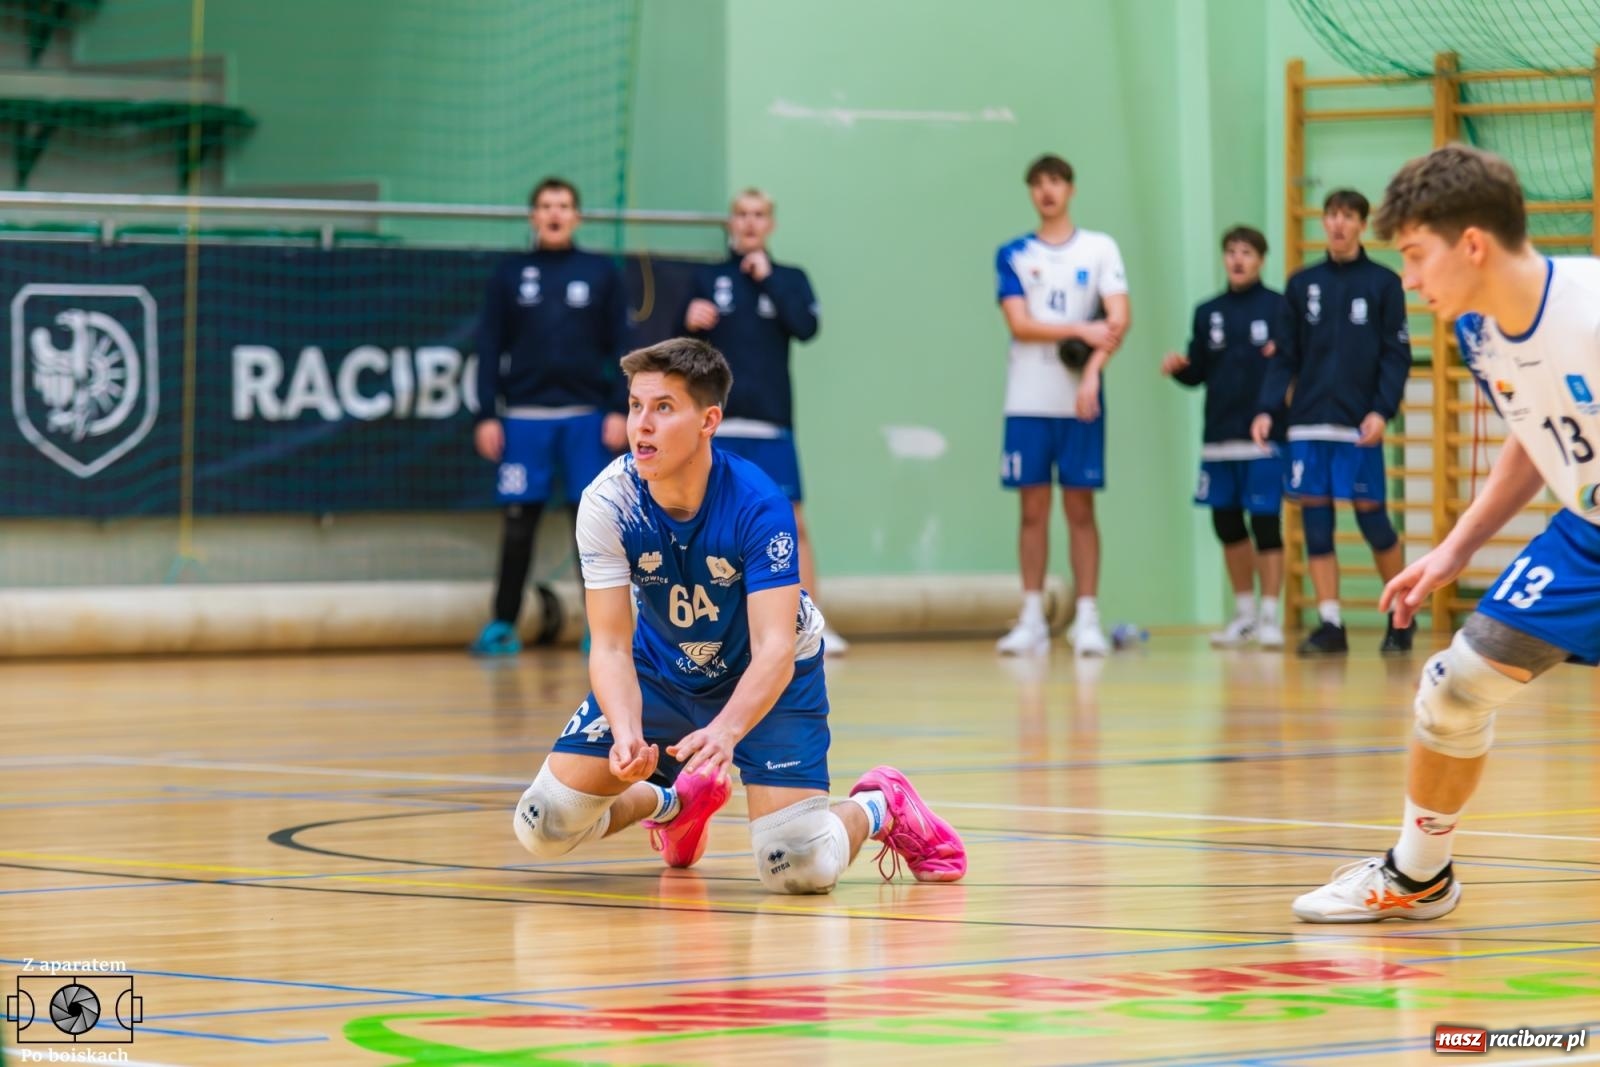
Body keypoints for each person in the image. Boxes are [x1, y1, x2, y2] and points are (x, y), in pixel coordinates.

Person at [510, 337, 966, 892]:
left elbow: (774, 647)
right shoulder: (609, 502)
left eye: (663, 408)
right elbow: (608, 645)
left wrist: (725, 732)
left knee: (795, 866)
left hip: (769, 677)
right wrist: (628, 735)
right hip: (660, 671)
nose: (641, 425)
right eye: (634, 406)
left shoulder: (758, 504)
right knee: (542, 825)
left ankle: (881, 806)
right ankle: (673, 804)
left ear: (709, 421)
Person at [1293, 143, 1596, 921]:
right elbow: (1535, 437)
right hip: (1585, 539)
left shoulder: (1591, 313)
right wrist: (1455, 549)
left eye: (1418, 255)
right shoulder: (1481, 333)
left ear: (1472, 245)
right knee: (1453, 691)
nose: (1410, 279)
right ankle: (1418, 876)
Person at [682, 188, 848, 655]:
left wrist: (770, 279)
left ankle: (810, 626)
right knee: (706, 526)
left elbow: (806, 327)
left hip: (772, 425)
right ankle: (706, 629)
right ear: (730, 223)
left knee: (792, 523)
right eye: (741, 215)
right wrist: (686, 318)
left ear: (770, 224)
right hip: (718, 427)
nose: (750, 223)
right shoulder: (706, 277)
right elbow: (681, 351)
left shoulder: (790, 278)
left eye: (759, 216)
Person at [470, 177, 631, 656]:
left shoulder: (601, 273)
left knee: (592, 523)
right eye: (545, 205)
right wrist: (486, 414)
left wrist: (620, 409)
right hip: (523, 419)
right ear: (533, 216)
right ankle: (502, 623)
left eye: (563, 205)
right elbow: (488, 347)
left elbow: (622, 346)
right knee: (519, 522)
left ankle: (599, 630)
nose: (555, 213)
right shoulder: (509, 274)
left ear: (577, 216)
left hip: (587, 420)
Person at [1251, 189, 1414, 656]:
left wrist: (1381, 410)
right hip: (1307, 426)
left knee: (1374, 523)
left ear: (1362, 224)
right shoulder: (1302, 285)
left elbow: (1395, 355)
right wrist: (1267, 409)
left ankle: (1401, 615)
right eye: (1332, 216)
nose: (1338, 224)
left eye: (1348, 216)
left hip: (1357, 426)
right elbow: (1285, 357)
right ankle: (1330, 623)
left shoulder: (1383, 284)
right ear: (1323, 223)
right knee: (1316, 526)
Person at [993, 154, 1131, 657]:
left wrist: (1093, 372)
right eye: (1038, 184)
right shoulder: (1013, 252)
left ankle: (1088, 619)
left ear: (1070, 189)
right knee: (1032, 509)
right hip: (1027, 400)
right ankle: (1031, 616)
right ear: (1031, 193)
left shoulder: (1099, 249)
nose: (1047, 191)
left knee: (1080, 506)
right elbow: (1020, 324)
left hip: (1080, 403)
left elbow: (1118, 318)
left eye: (1055, 182)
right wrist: (1079, 329)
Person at [1162, 225, 1289, 649]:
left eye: (1247, 252)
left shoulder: (1277, 308)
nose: (1238, 259)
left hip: (1263, 438)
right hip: (1219, 435)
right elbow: (1199, 371)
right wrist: (1180, 368)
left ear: (1261, 259)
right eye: (1231, 251)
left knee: (1266, 523)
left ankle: (1271, 615)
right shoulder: (1207, 311)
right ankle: (1244, 615)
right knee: (1227, 524)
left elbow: (1292, 366)